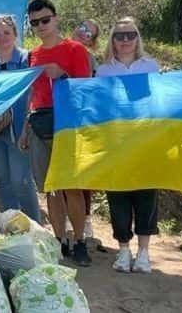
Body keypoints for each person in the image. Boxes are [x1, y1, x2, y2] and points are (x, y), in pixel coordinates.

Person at [18, 0, 93, 266]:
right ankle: (60, 240)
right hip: (39, 125)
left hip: (68, 125)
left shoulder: (75, 50)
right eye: (35, 22)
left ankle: (81, 241)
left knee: (72, 188)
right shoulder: (32, 55)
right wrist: (25, 129)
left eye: (45, 20)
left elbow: (86, 90)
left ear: (56, 18)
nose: (41, 26)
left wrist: (62, 76)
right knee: (51, 189)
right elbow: (32, 95)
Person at [95, 17, 160, 273]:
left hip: (146, 142)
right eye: (119, 36)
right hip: (116, 143)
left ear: (137, 38)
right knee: (118, 197)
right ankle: (123, 251)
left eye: (130, 35)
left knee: (146, 197)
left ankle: (144, 253)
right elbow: (98, 107)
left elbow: (160, 103)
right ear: (112, 39)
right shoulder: (103, 71)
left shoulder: (152, 67)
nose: (125, 40)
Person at [0, 14, 41, 223]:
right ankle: (12, 229)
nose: (2, 37)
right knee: (4, 181)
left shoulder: (26, 59)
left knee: (21, 181)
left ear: (15, 34)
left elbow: (35, 92)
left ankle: (36, 230)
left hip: (19, 129)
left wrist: (27, 125)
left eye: (7, 32)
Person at [70, 18, 101, 238]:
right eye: (82, 28)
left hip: (85, 121)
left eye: (89, 33)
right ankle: (65, 218)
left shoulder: (92, 60)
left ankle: (86, 219)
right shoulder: (60, 49)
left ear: (92, 41)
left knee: (84, 173)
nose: (84, 33)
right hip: (60, 119)